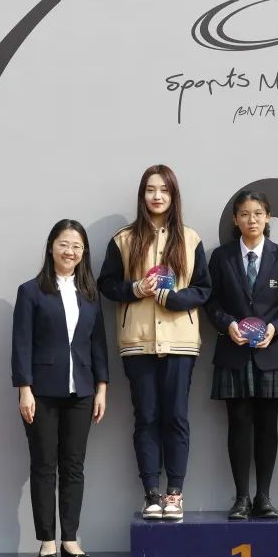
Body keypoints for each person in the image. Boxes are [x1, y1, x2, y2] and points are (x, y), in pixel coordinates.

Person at [98, 165, 211, 520]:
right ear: (142, 194)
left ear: (174, 195)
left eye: (164, 190)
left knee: (176, 416)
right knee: (146, 417)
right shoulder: (123, 239)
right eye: (150, 189)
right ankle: (151, 493)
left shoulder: (190, 238)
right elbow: (106, 284)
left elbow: (203, 289)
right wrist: (136, 289)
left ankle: (175, 494)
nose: (157, 196)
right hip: (138, 342)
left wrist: (174, 299)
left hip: (180, 342)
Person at [12, 219, 109, 557]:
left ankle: (69, 538)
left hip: (82, 391)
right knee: (43, 465)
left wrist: (101, 388)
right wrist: (24, 389)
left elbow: (98, 344)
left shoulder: (90, 294)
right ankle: (47, 541)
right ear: (51, 247)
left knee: (73, 466)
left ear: (84, 252)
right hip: (41, 391)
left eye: (77, 246)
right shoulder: (31, 291)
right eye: (64, 244)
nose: (70, 251)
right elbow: (21, 344)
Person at [205, 189, 278, 520]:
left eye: (258, 213)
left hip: (270, 353)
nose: (252, 220)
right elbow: (211, 301)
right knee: (238, 424)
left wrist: (274, 328)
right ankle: (241, 498)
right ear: (235, 219)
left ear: (268, 217)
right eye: (245, 214)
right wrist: (227, 324)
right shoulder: (221, 257)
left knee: (267, 425)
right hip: (232, 351)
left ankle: (264, 497)